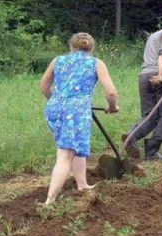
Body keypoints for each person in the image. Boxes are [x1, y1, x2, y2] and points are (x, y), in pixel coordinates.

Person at [40, 33, 119, 205]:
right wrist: (112, 107)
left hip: (54, 108)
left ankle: (82, 184)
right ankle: (49, 200)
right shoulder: (95, 63)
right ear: (91, 48)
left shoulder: (58, 61)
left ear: (71, 46)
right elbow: (111, 93)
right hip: (76, 112)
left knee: (75, 145)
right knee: (66, 153)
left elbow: (44, 86)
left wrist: (59, 101)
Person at [121, 15, 162, 161]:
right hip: (157, 76)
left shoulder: (154, 35)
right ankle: (152, 152)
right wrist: (161, 74)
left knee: (149, 115)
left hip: (144, 75)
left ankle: (131, 136)